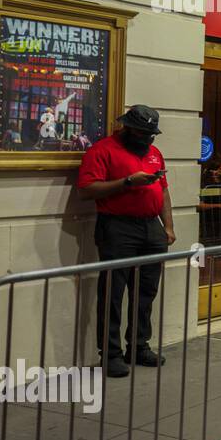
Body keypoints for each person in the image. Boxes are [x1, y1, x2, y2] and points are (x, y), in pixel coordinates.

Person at [76, 105, 175, 378]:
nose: (148, 139)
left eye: (151, 134)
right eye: (143, 133)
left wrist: (168, 225)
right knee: (113, 293)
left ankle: (139, 346)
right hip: (117, 226)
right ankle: (110, 353)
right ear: (128, 128)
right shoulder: (103, 150)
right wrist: (127, 182)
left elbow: (163, 192)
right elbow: (86, 190)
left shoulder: (154, 154)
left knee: (146, 292)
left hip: (150, 227)